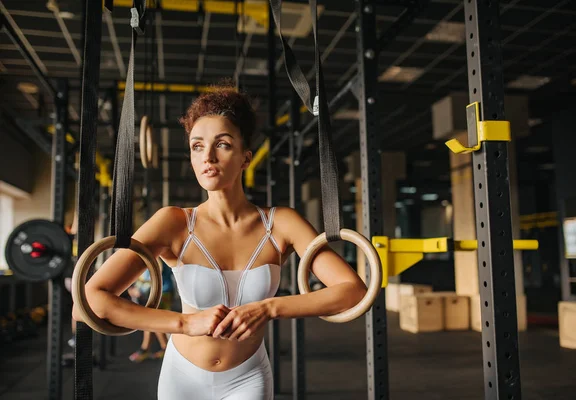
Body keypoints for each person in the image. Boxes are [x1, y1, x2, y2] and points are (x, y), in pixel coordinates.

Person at [72, 85, 367, 400]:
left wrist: (269, 308)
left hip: (248, 377)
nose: (207, 157)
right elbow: (90, 300)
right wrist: (184, 323)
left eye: (222, 144)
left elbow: (352, 291)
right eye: (197, 146)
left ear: (245, 158)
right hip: (181, 377)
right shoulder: (173, 223)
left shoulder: (280, 224)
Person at [127, 260, 174, 362]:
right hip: (165, 290)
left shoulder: (154, 256)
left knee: (153, 320)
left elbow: (150, 277)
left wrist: (137, 289)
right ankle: (153, 348)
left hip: (160, 292)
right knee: (153, 320)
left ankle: (156, 348)